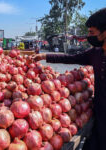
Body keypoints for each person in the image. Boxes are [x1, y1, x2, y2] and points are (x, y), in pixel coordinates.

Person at [32, 8, 106, 150]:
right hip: (100, 114)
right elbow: (70, 58)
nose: (88, 36)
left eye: (92, 32)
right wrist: (44, 56)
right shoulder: (95, 53)